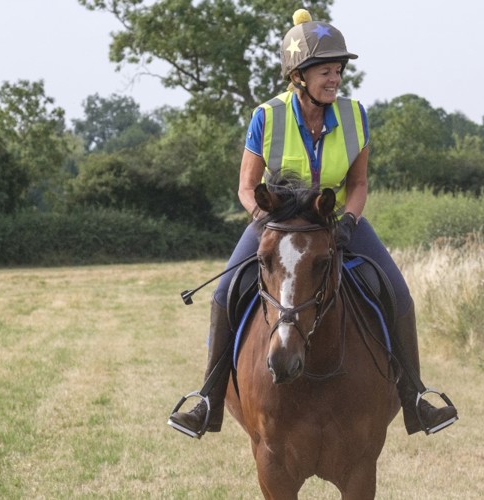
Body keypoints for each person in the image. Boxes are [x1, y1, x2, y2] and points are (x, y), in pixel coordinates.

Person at [168, 9, 458, 439]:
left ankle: (416, 397)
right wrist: (264, 219)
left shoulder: (355, 115)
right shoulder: (267, 116)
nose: (335, 78)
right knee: (225, 292)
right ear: (298, 76)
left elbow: (358, 184)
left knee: (398, 293)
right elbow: (246, 187)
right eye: (326, 71)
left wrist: (350, 220)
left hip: (337, 222)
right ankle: (207, 399)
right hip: (277, 224)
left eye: (338, 70)